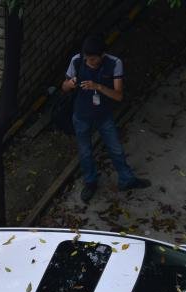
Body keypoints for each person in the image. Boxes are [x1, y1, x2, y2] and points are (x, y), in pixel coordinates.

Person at [62, 35, 150, 202]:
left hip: (104, 115)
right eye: (87, 58)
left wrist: (98, 87)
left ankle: (126, 179)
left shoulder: (114, 63)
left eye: (93, 59)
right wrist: (69, 84)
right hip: (81, 115)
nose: (89, 62)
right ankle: (90, 182)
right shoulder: (77, 60)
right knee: (85, 152)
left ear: (102, 55)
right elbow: (64, 87)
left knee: (116, 148)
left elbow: (118, 96)